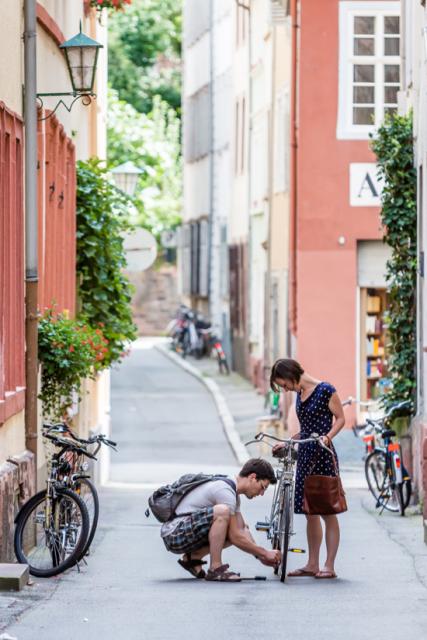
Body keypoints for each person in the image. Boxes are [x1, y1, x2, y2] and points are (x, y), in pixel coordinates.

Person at [270, 358, 345, 580]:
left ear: (292, 375)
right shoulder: (299, 393)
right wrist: (289, 442)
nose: (284, 389)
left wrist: (328, 437)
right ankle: (312, 564)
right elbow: (305, 429)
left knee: (327, 512)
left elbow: (341, 419)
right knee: (310, 512)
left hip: (322, 455)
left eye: (284, 384)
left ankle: (329, 565)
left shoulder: (326, 390)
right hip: (305, 455)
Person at [161, 458, 281, 582]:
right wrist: (264, 552)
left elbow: (242, 530)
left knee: (238, 526)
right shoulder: (225, 491)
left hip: (183, 531)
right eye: (262, 487)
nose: (261, 493)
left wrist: (260, 556)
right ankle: (215, 568)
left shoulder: (233, 492)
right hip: (174, 534)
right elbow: (235, 536)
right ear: (252, 477)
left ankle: (193, 557)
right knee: (222, 512)